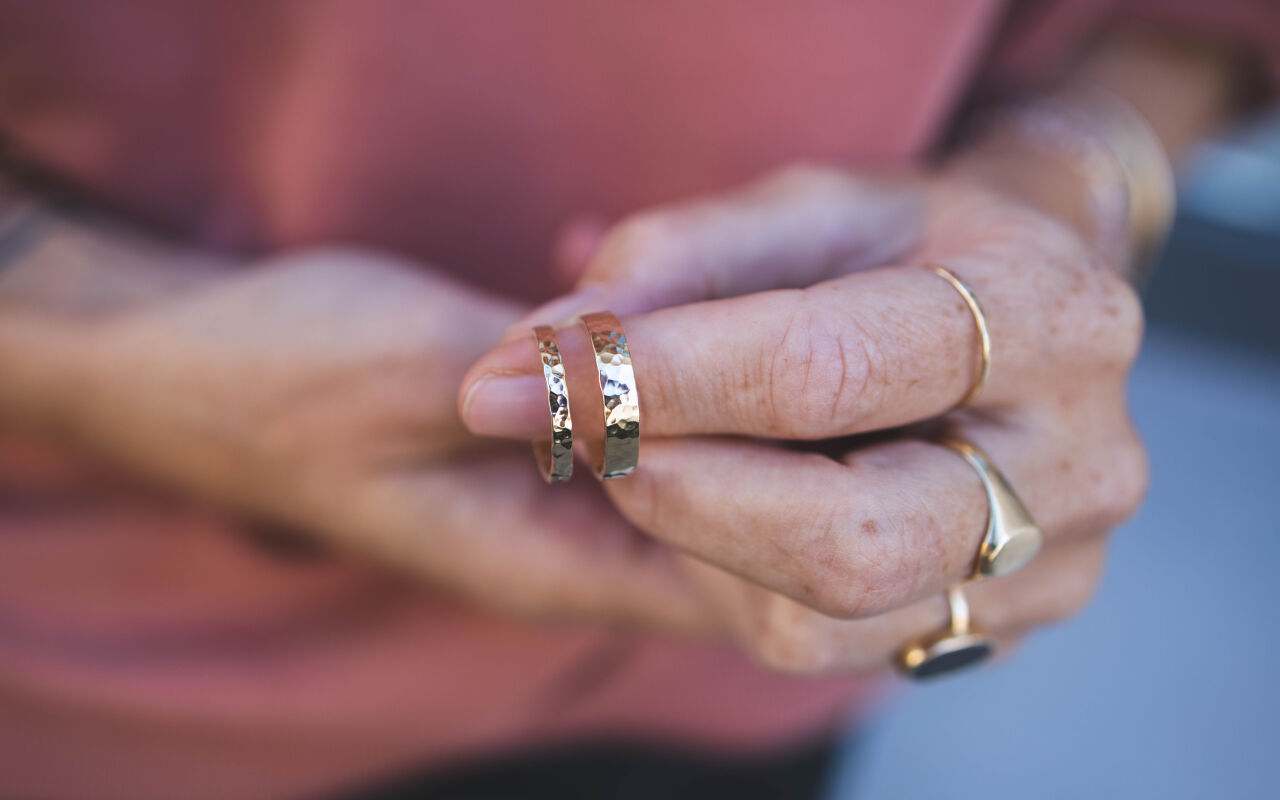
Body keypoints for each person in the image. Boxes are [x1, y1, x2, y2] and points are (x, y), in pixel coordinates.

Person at [0, 2, 1274, 798]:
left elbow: (1198, 30)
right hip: (113, 673)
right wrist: (98, 354)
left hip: (782, 636)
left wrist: (1046, 195)